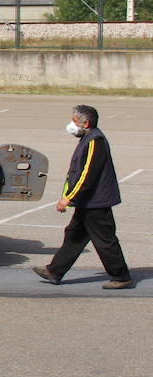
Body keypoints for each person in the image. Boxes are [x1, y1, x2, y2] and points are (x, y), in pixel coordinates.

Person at [33, 105, 134, 289]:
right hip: (88, 202)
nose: (71, 125)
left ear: (85, 123)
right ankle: (55, 271)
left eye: (74, 121)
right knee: (74, 236)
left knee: (104, 240)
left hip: (96, 202)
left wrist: (68, 198)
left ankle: (121, 276)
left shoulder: (95, 141)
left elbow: (87, 175)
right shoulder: (87, 139)